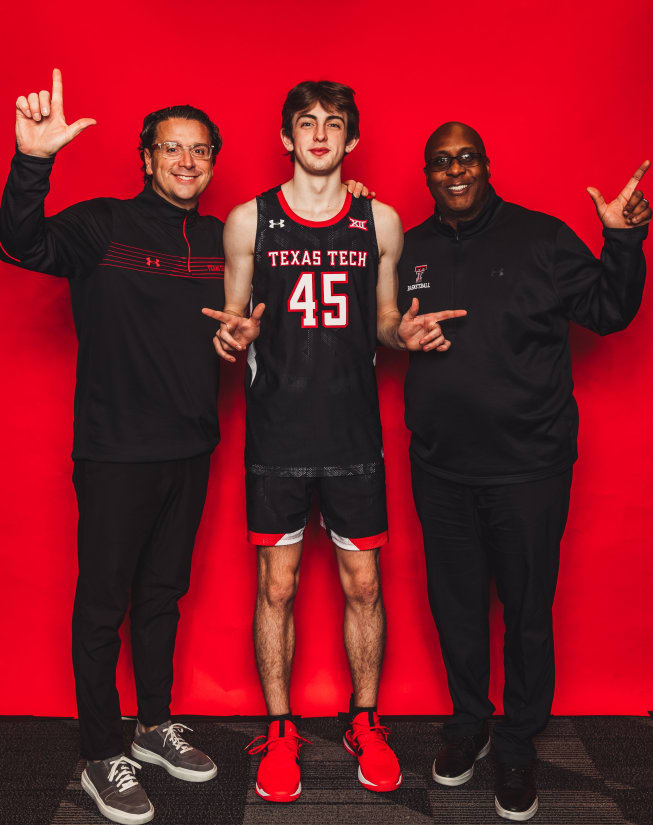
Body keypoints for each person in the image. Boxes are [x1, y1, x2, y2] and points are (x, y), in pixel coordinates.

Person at [202, 81, 465, 803]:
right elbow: (232, 318)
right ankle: (281, 725)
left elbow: (383, 319)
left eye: (334, 124)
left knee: (365, 585)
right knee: (276, 587)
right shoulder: (246, 221)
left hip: (354, 436)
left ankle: (364, 718)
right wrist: (231, 334)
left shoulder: (379, 221)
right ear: (286, 138)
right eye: (306, 124)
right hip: (277, 437)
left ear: (351, 141)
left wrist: (401, 332)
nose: (320, 134)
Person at [396, 121, 652, 821]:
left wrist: (622, 241)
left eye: (466, 157)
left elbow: (610, 310)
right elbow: (375, 326)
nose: (455, 170)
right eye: (441, 161)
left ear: (485, 163)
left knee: (528, 611)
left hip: (529, 466)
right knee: (455, 606)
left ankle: (516, 741)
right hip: (440, 467)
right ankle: (469, 724)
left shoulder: (541, 238)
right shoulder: (408, 249)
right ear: (428, 173)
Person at [0, 69, 226, 825]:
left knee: (162, 596)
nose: (187, 162)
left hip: (191, 449)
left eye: (200, 151)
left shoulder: (226, 240)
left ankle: (153, 722)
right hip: (113, 453)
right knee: (102, 608)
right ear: (147, 157)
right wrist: (33, 161)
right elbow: (19, 241)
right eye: (173, 148)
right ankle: (102, 754)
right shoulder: (101, 224)